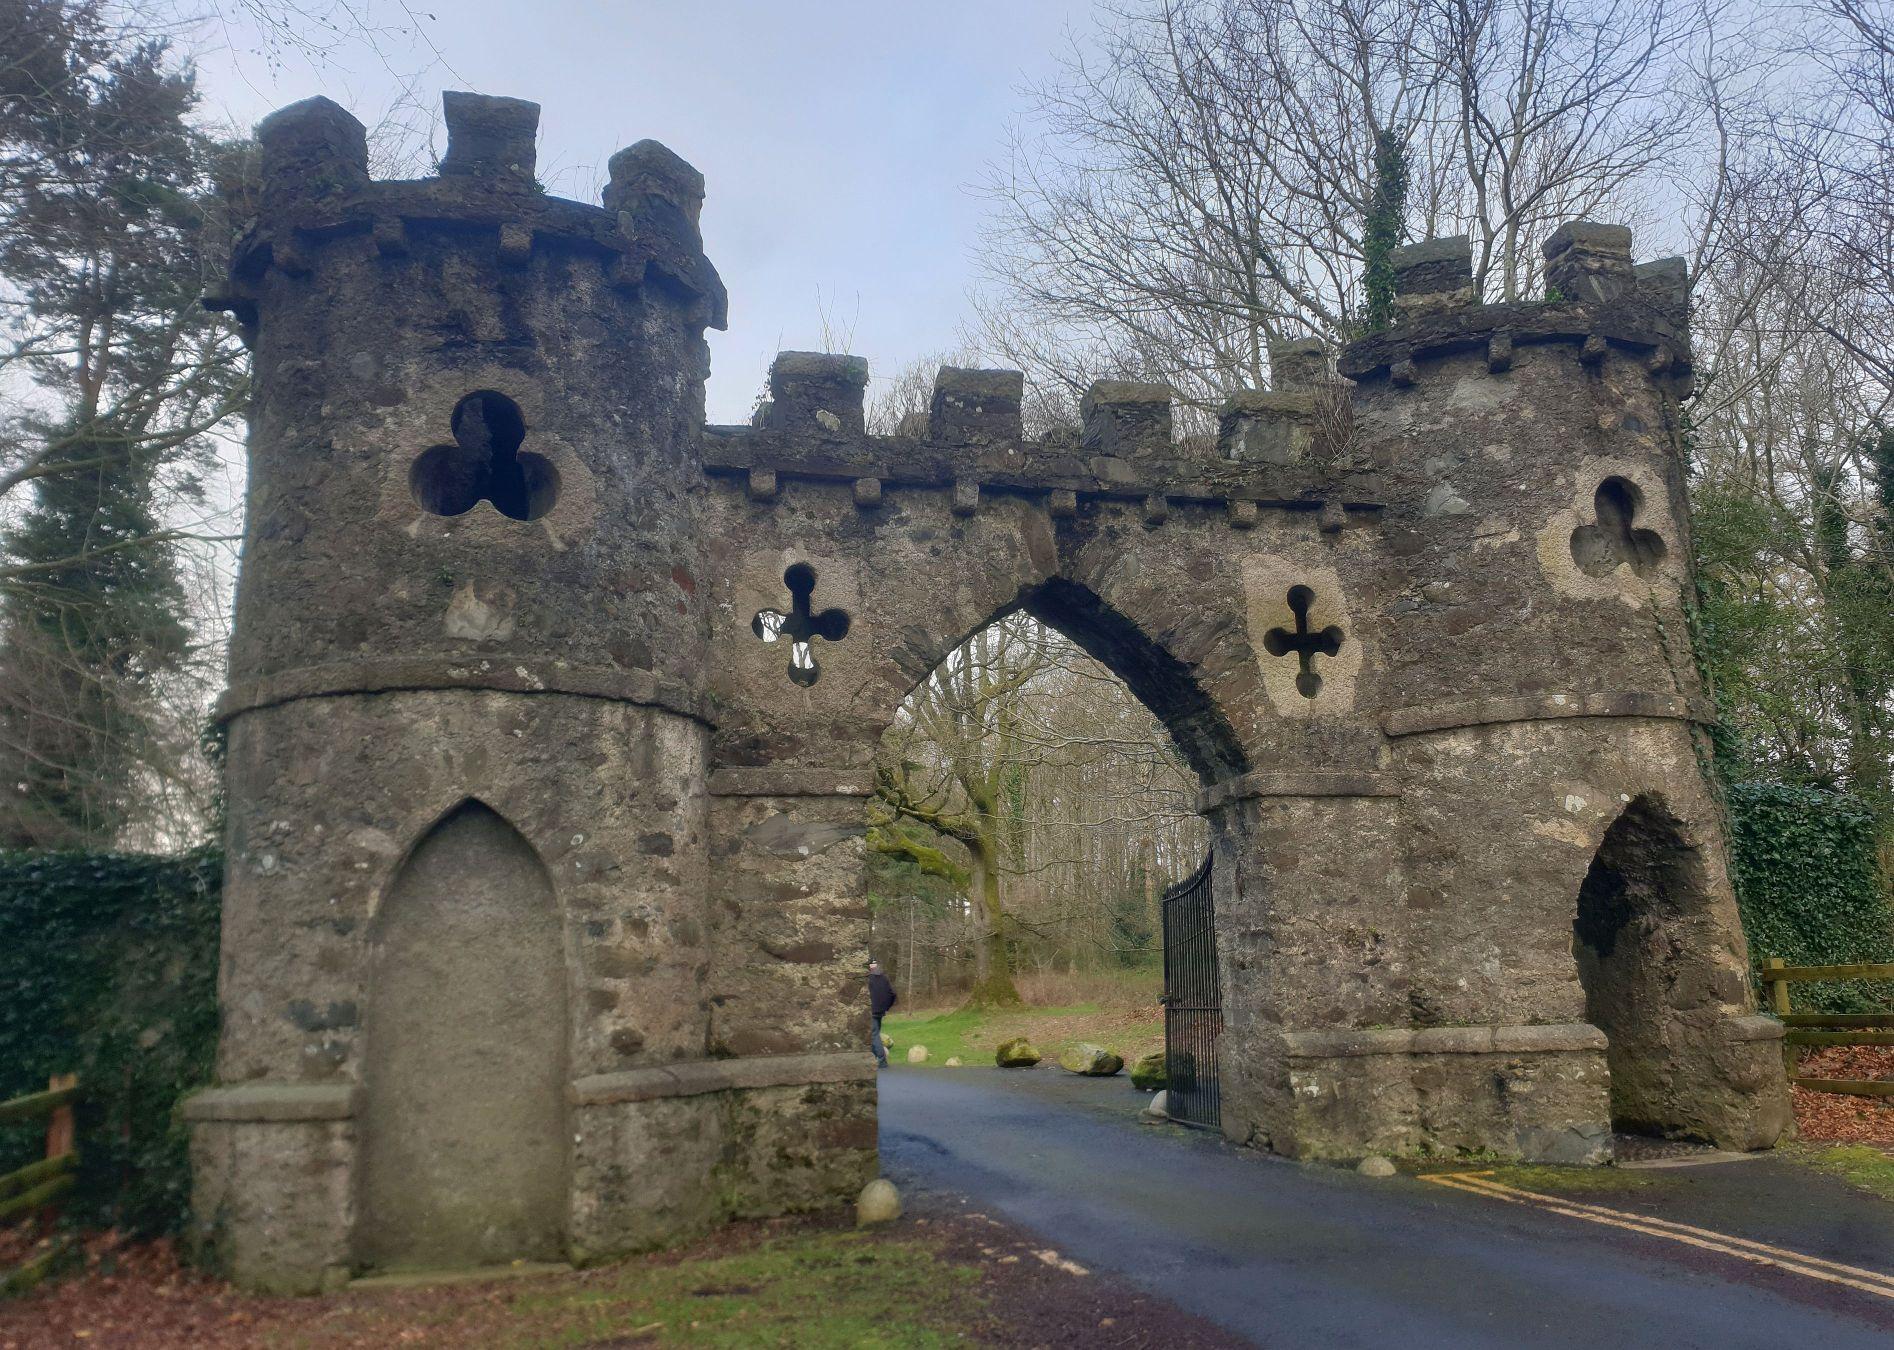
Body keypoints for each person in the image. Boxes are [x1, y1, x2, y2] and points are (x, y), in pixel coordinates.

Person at [868, 961, 897, 1067]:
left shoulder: (868, 979)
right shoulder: (884, 978)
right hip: (880, 1011)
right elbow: (893, 994)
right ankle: (875, 1056)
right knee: (875, 1034)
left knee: (874, 1035)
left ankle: (882, 1060)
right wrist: (887, 1007)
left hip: (872, 1010)